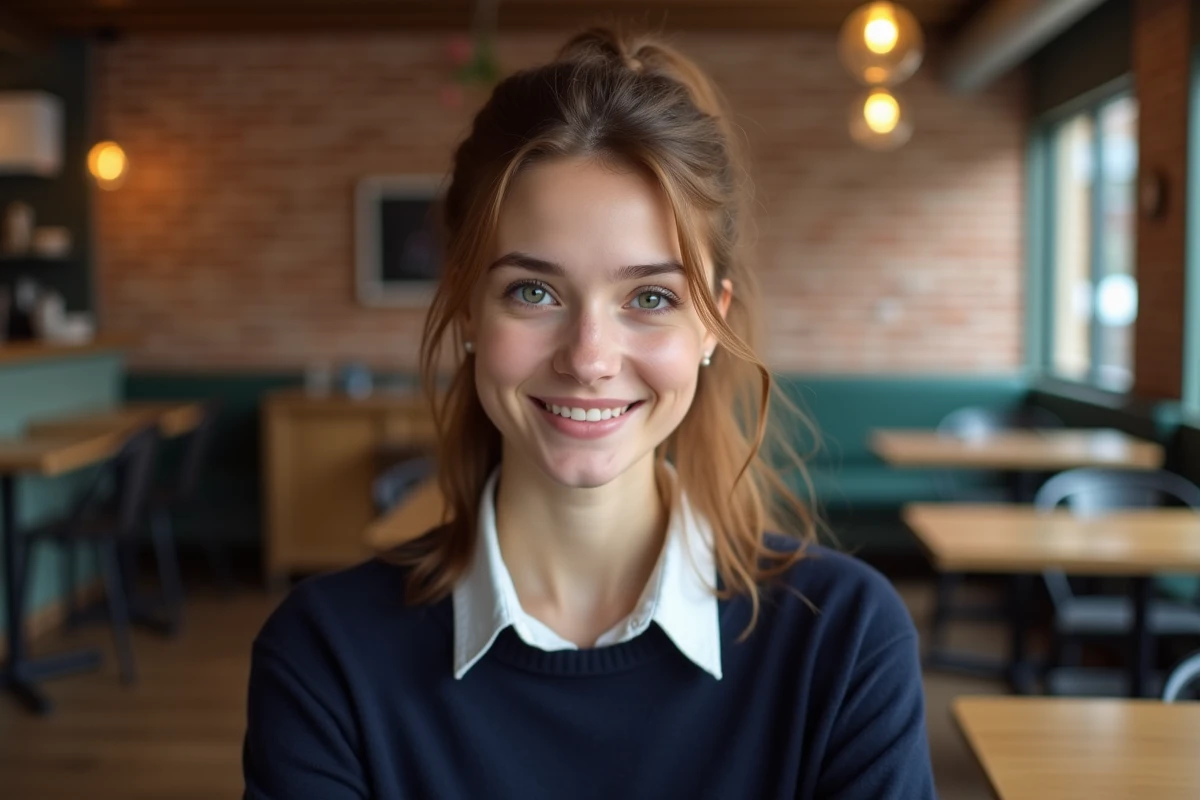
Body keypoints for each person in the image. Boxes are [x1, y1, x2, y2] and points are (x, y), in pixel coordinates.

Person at [243, 27, 936, 800]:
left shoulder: (842, 640)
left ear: (713, 322)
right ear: (468, 307)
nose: (589, 357)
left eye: (651, 298)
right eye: (533, 291)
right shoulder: (325, 656)